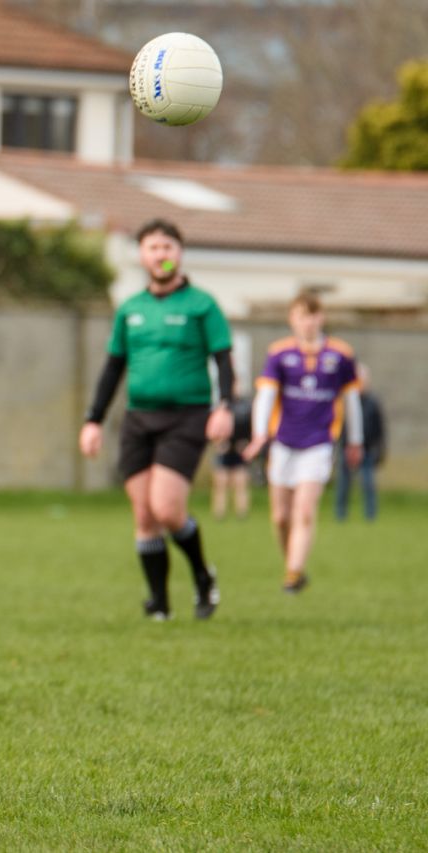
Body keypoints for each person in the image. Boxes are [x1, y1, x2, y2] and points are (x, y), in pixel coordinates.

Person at [79, 219, 232, 622]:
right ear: (142, 256)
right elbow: (113, 368)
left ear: (179, 253)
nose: (161, 254)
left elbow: (223, 359)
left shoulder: (202, 305)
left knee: (166, 510)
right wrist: (93, 420)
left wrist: (225, 406)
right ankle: (159, 604)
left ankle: (202, 575)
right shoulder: (131, 309)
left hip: (186, 417)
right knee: (144, 517)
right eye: (153, 247)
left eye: (168, 247)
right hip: (138, 418)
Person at [241, 294, 362, 592]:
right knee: (281, 517)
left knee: (304, 511)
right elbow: (266, 395)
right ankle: (292, 565)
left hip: (319, 442)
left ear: (321, 318)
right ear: (291, 320)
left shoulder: (341, 354)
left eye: (313, 315)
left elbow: (352, 399)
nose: (307, 322)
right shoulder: (279, 353)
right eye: (301, 316)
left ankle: (294, 574)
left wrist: (355, 440)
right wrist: (259, 434)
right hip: (283, 443)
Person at [335, 363, 385, 522]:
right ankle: (340, 515)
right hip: (346, 449)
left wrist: (380, 450)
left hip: (367, 449)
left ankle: (370, 515)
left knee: (368, 484)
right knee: (343, 484)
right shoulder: (344, 403)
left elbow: (380, 429)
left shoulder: (373, 403)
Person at [210, 384, 252, 520]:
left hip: (239, 451)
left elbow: (251, 428)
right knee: (221, 483)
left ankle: (242, 513)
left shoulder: (246, 407)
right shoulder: (220, 408)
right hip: (224, 451)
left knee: (240, 483)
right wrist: (218, 443)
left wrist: (246, 443)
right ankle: (219, 513)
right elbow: (212, 429)